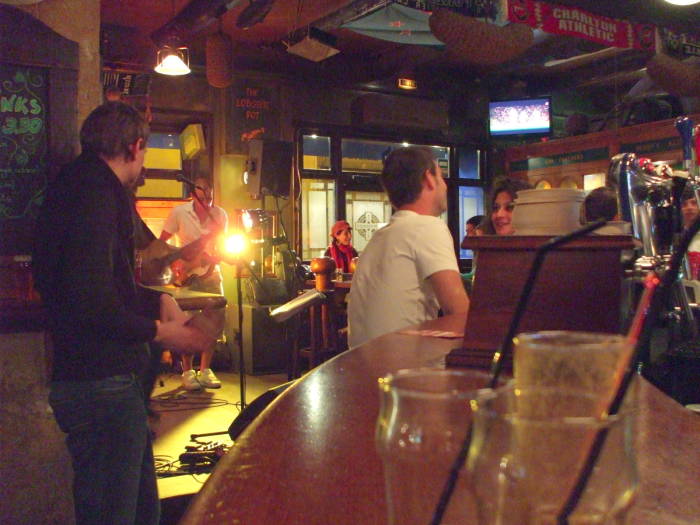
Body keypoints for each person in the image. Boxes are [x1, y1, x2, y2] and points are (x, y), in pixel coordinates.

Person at [32, 101, 213, 525]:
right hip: (100, 384)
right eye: (145, 150)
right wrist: (165, 332)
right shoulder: (96, 193)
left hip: (99, 383)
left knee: (141, 512)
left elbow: (101, 280)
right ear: (134, 147)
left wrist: (156, 300)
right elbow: (91, 300)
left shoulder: (80, 185)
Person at [347, 146, 469, 348]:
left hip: (362, 370)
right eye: (441, 176)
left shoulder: (377, 239)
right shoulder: (427, 227)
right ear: (429, 178)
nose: (445, 185)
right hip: (404, 372)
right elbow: (460, 313)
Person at [160, 176, 228, 390]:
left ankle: (205, 370)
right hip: (187, 276)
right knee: (188, 323)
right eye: (204, 189)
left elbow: (222, 245)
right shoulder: (179, 213)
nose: (208, 194)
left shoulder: (220, 215)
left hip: (211, 273)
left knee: (214, 323)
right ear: (194, 191)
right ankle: (188, 372)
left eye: (211, 190)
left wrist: (220, 256)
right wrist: (175, 262)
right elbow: (161, 242)